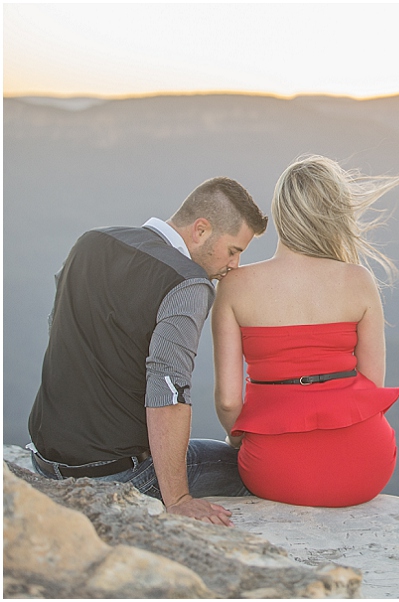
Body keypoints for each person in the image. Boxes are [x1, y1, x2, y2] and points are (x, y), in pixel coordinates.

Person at [27, 177, 268, 526]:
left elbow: (58, 326)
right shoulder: (188, 282)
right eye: (233, 250)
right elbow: (169, 389)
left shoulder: (91, 241)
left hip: (45, 464)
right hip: (114, 477)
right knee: (255, 466)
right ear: (201, 230)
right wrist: (179, 499)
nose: (235, 265)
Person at [212, 154, 399, 507]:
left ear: (280, 213)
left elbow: (229, 400)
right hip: (366, 466)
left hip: (275, 469)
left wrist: (239, 440)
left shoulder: (236, 286)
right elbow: (372, 387)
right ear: (337, 215)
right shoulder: (359, 281)